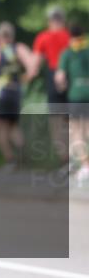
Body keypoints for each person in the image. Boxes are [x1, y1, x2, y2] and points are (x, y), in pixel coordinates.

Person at [0, 21, 38, 170]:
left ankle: (10, 160)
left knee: (2, 127)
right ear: (12, 35)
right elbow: (33, 68)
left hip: (0, 92)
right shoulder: (19, 48)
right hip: (15, 91)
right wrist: (24, 79)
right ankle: (23, 155)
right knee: (14, 125)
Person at [34, 7, 71, 168]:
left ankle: (64, 159)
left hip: (52, 76)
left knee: (56, 121)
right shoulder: (70, 36)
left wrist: (29, 75)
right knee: (71, 120)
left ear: (49, 21)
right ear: (63, 21)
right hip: (71, 78)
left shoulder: (43, 37)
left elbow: (36, 63)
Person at [55, 24, 89, 186]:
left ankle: (85, 166)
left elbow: (60, 78)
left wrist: (62, 87)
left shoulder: (67, 53)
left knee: (76, 133)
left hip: (75, 95)